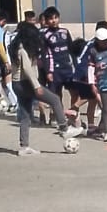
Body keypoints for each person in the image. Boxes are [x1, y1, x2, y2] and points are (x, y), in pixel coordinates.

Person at [11, 11, 79, 155]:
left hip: (16, 84)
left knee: (25, 116)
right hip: (26, 83)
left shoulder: (16, 46)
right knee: (54, 99)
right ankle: (64, 128)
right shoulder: (23, 48)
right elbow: (27, 69)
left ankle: (24, 146)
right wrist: (36, 86)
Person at [77, 26, 107, 139]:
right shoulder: (92, 49)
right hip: (87, 77)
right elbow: (86, 64)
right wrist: (92, 82)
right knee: (95, 101)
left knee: (97, 103)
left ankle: (101, 127)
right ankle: (95, 126)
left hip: (100, 78)